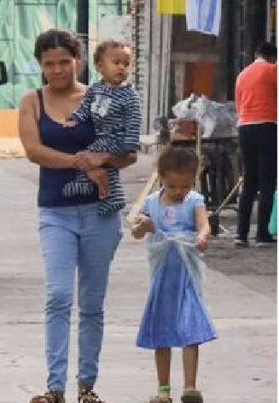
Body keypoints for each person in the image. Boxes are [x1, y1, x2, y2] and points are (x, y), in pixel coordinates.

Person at [18, 29, 137, 403]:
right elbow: (34, 151)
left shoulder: (102, 95)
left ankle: (87, 387)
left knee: (92, 303)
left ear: (79, 62)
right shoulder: (32, 101)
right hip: (56, 212)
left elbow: (128, 152)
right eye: (49, 64)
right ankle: (55, 387)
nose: (57, 70)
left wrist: (104, 159)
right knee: (58, 296)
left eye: (64, 62)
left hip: (100, 212)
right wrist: (83, 163)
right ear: (40, 65)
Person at [131, 145, 216, 403]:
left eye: (185, 186)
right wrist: (144, 226)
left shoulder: (194, 201)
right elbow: (137, 231)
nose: (179, 191)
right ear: (161, 178)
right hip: (162, 278)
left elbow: (204, 225)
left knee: (191, 330)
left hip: (186, 277)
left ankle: (190, 387)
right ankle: (163, 389)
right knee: (161, 331)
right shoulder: (151, 203)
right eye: (172, 187)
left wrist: (202, 236)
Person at [61, 40, 141, 216]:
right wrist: (76, 119)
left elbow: (134, 121)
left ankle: (82, 182)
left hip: (116, 139)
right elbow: (85, 108)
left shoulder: (130, 95)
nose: (121, 68)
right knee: (108, 169)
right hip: (101, 136)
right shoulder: (95, 89)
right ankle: (113, 199)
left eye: (126, 64)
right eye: (116, 63)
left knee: (85, 155)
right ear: (100, 66)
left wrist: (130, 145)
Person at [233, 40, 277, 247]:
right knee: (268, 180)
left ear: (256, 54)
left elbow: (239, 105)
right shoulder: (272, 70)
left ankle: (240, 234)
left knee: (249, 181)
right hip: (267, 125)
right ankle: (262, 234)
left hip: (245, 127)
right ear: (272, 57)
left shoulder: (242, 75)